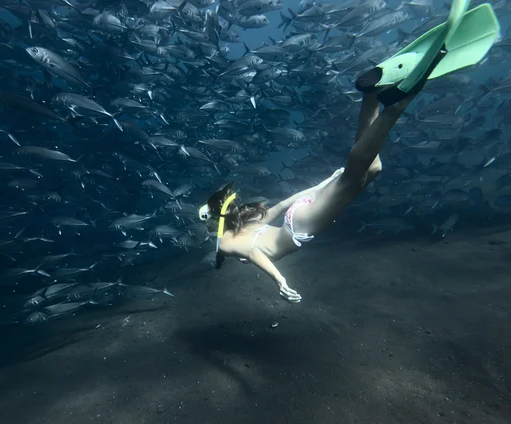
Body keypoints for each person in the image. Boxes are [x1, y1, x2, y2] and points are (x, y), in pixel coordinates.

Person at [197, 0, 499, 302]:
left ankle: (397, 104)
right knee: (371, 171)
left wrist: (279, 279)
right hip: (299, 213)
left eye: (207, 221)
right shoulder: (246, 223)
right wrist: (322, 184)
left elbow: (253, 253)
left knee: (354, 176)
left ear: (215, 220)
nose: (207, 226)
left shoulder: (226, 243)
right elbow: (281, 206)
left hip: (301, 226)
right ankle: (371, 97)